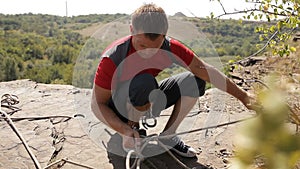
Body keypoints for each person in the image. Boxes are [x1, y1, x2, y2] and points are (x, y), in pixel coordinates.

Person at [91, 3, 255, 158]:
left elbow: (208, 72)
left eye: (155, 47)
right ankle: (134, 130)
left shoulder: (171, 48)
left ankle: (168, 137)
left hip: (146, 97)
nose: (148, 53)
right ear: (132, 30)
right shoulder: (113, 57)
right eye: (142, 46)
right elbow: (98, 104)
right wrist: (124, 130)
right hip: (119, 108)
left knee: (195, 81)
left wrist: (244, 97)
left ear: (164, 35)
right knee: (144, 82)